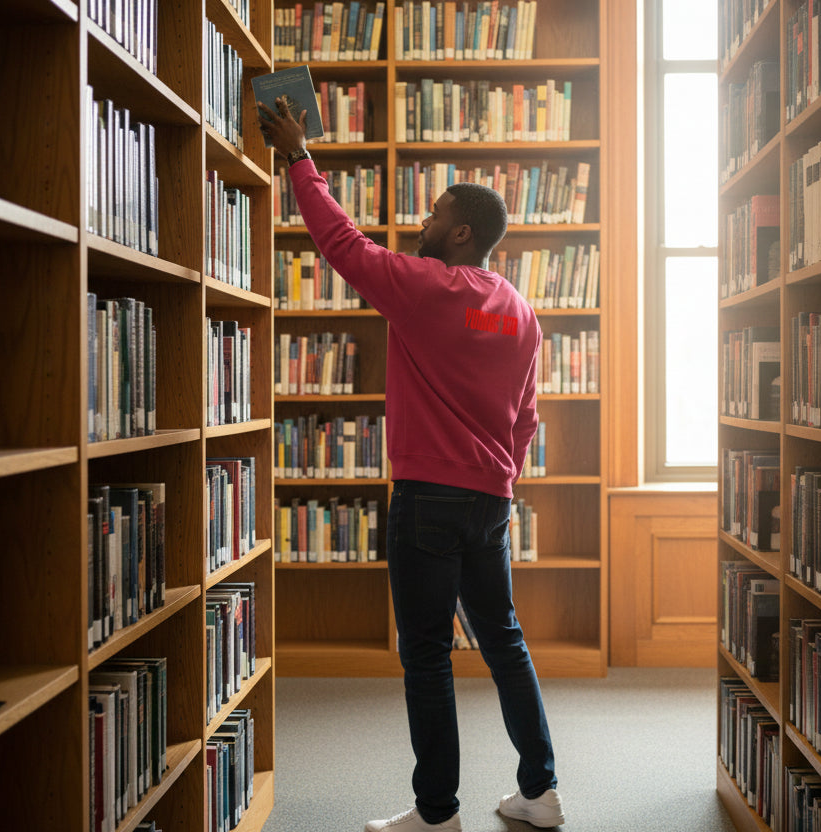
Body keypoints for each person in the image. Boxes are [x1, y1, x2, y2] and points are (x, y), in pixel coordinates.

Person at [259, 98, 565, 832]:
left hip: (429, 497)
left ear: (460, 232)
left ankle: (437, 815)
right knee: (505, 641)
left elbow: (343, 245)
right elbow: (526, 416)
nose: (421, 223)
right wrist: (501, 477)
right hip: (492, 501)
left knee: (426, 656)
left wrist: (299, 157)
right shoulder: (519, 310)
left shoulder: (427, 288)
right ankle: (541, 792)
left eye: (433, 215)